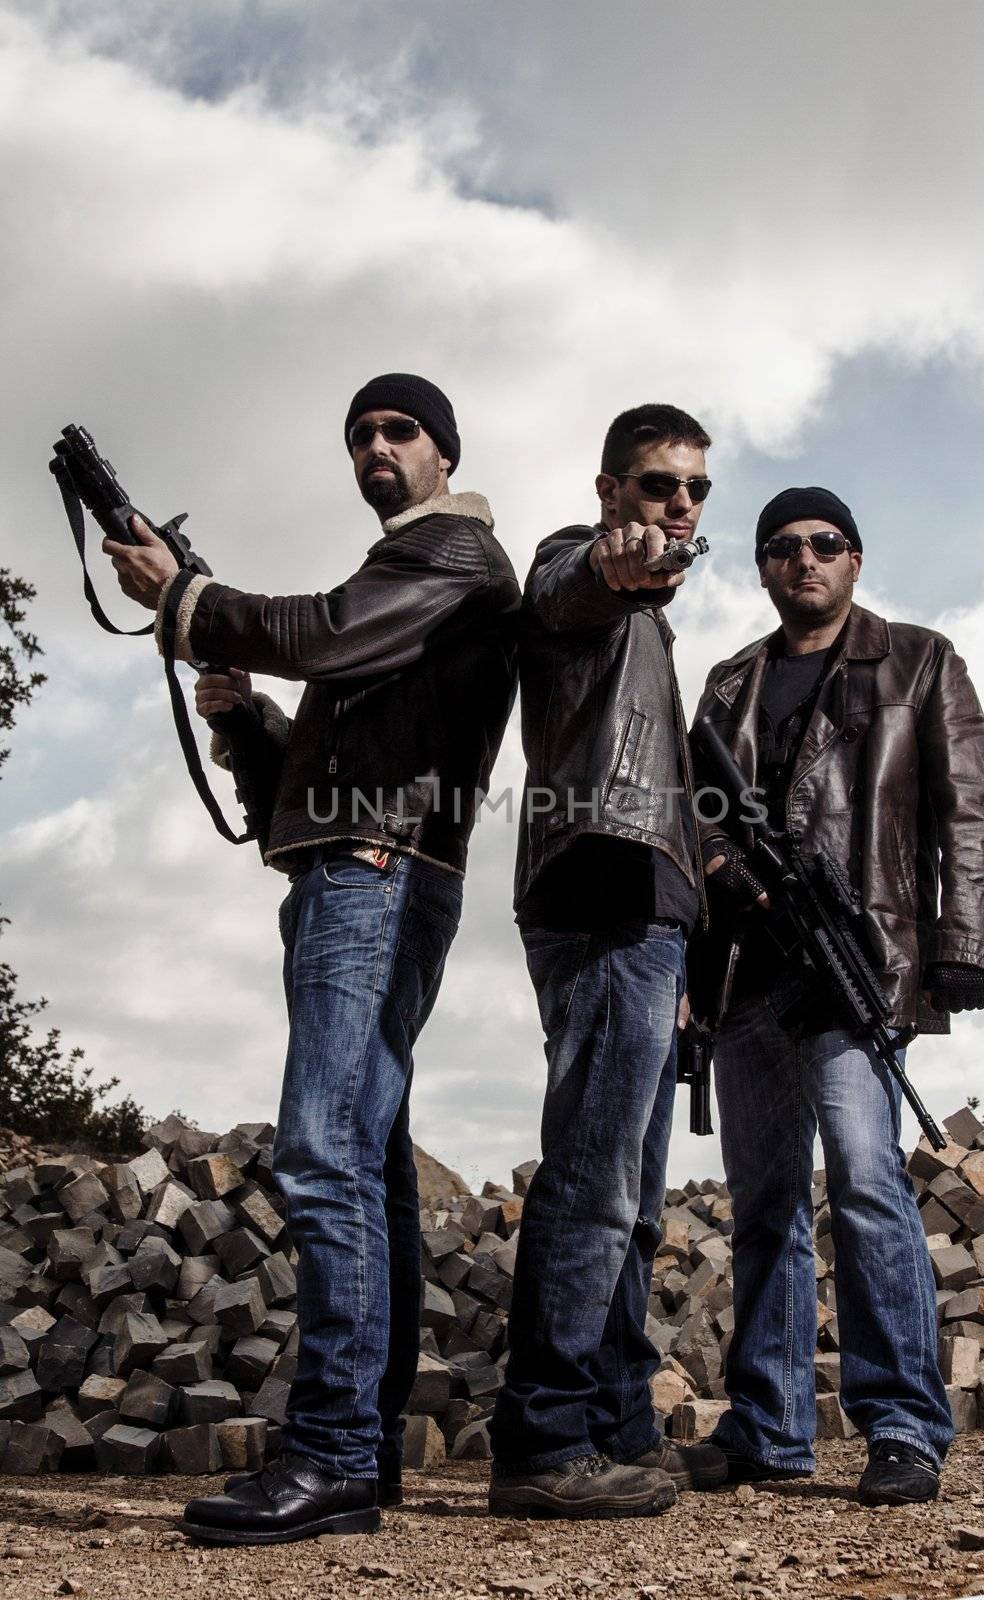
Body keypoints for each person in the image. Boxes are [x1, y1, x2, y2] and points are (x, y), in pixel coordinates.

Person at [103, 374, 520, 1543]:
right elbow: (315, 760)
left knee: (321, 1149)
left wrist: (189, 597)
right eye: (358, 436)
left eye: (397, 430)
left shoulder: (451, 555)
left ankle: (334, 1450)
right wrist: (239, 716)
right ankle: (362, 1451)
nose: (373, 447)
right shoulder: (411, 578)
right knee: (369, 1159)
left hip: (375, 875)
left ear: (442, 450)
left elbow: (326, 630)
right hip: (360, 868)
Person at [687, 486, 984, 1505]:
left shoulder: (917, 660)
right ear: (760, 569)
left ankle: (904, 1425)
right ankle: (769, 1425)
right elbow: (684, 811)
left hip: (853, 962)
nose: (802, 560)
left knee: (868, 1187)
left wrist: (962, 946)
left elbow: (973, 810)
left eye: (822, 543)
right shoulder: (728, 683)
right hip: (744, 972)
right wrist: (711, 873)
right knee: (765, 1206)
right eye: (780, 547)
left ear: (854, 558)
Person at [487, 404, 727, 1519]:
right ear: (607, 490)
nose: (675, 507)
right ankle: (541, 1440)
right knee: (589, 1183)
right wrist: (614, 563)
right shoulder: (579, 568)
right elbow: (559, 587)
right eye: (653, 485)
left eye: (692, 491)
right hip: (595, 892)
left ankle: (615, 1421)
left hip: (648, 918)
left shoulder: (651, 636)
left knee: (628, 1201)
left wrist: (682, 942)